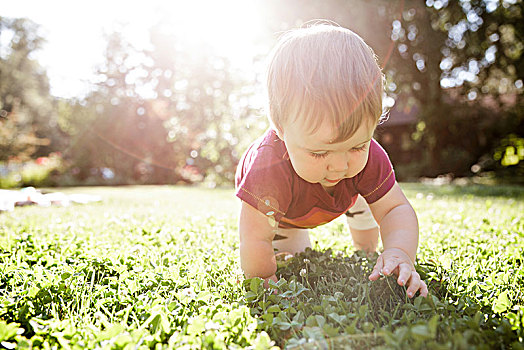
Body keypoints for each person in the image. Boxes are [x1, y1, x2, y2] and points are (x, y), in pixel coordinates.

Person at [235, 22, 428, 298]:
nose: (340, 165)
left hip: (349, 194)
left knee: (367, 198)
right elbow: (254, 238)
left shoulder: (369, 158)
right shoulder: (267, 169)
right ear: (280, 127)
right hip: (282, 212)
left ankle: (366, 248)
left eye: (357, 146)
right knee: (290, 255)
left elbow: (394, 209)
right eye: (319, 152)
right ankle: (293, 239)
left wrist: (399, 251)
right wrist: (264, 280)